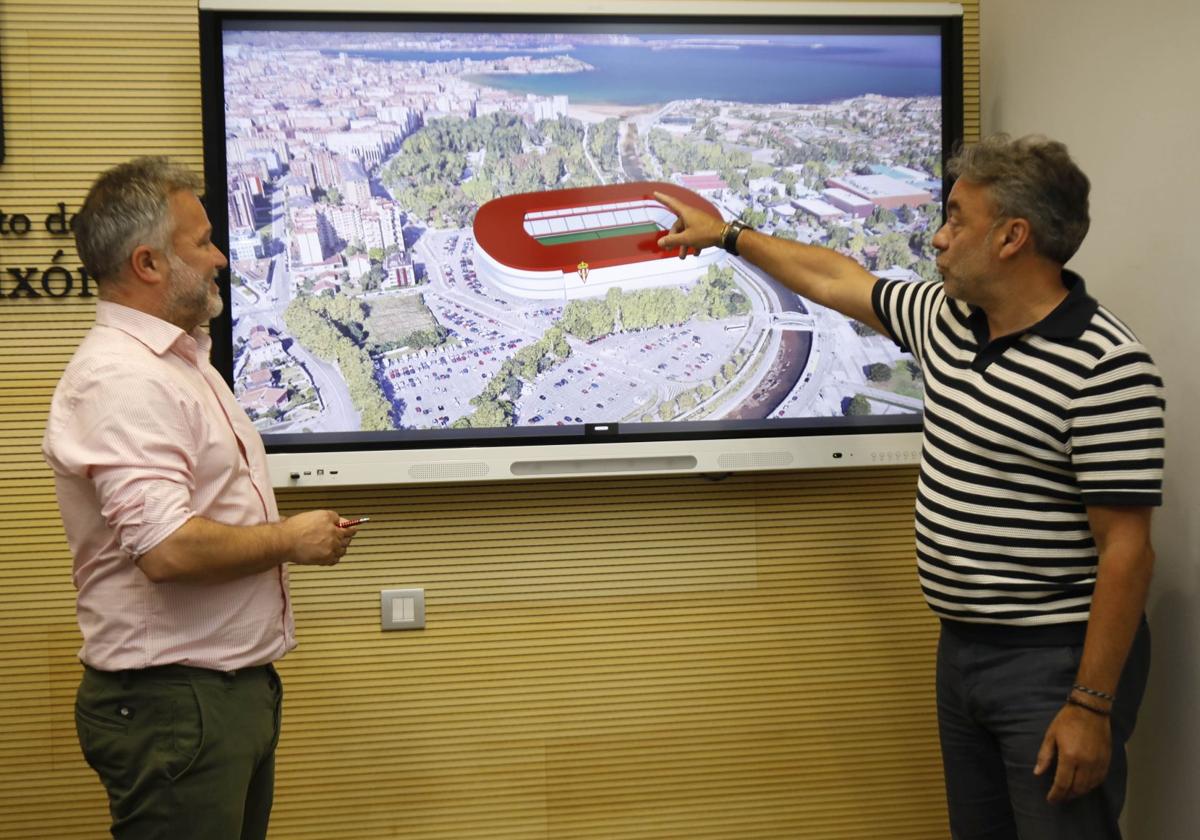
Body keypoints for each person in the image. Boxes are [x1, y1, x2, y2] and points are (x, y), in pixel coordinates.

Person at [657, 134, 1165, 839]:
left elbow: (1127, 553)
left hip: (1054, 664)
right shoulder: (946, 320)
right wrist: (729, 235)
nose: (938, 238)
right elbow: (835, 280)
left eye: (956, 218)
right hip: (962, 650)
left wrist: (1089, 703)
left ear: (1013, 236)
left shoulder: (1106, 366)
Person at [42, 156, 359, 840]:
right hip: (174, 703)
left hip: (215, 695)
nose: (219, 256)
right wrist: (291, 540)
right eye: (203, 241)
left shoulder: (180, 361)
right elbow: (167, 548)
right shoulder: (123, 380)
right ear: (149, 263)